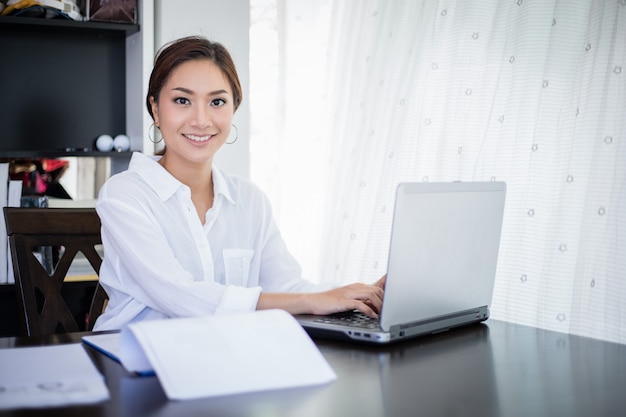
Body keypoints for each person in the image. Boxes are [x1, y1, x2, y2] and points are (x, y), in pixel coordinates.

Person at [93, 36, 385, 331]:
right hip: (131, 359)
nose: (201, 120)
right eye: (182, 100)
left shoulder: (249, 199)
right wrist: (312, 301)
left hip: (222, 357)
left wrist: (357, 296)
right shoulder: (125, 194)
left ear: (233, 109)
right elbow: (179, 295)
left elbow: (288, 285)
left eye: (217, 102)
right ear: (155, 109)